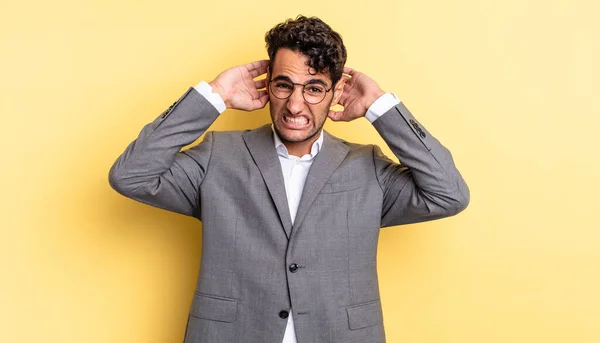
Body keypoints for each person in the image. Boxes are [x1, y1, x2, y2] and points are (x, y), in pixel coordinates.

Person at [109, 15, 469, 343]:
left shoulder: (367, 167)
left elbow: (449, 194)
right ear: (269, 87)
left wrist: (380, 106)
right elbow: (130, 175)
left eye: (313, 88)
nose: (296, 105)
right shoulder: (219, 156)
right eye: (284, 86)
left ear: (334, 92)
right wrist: (213, 96)